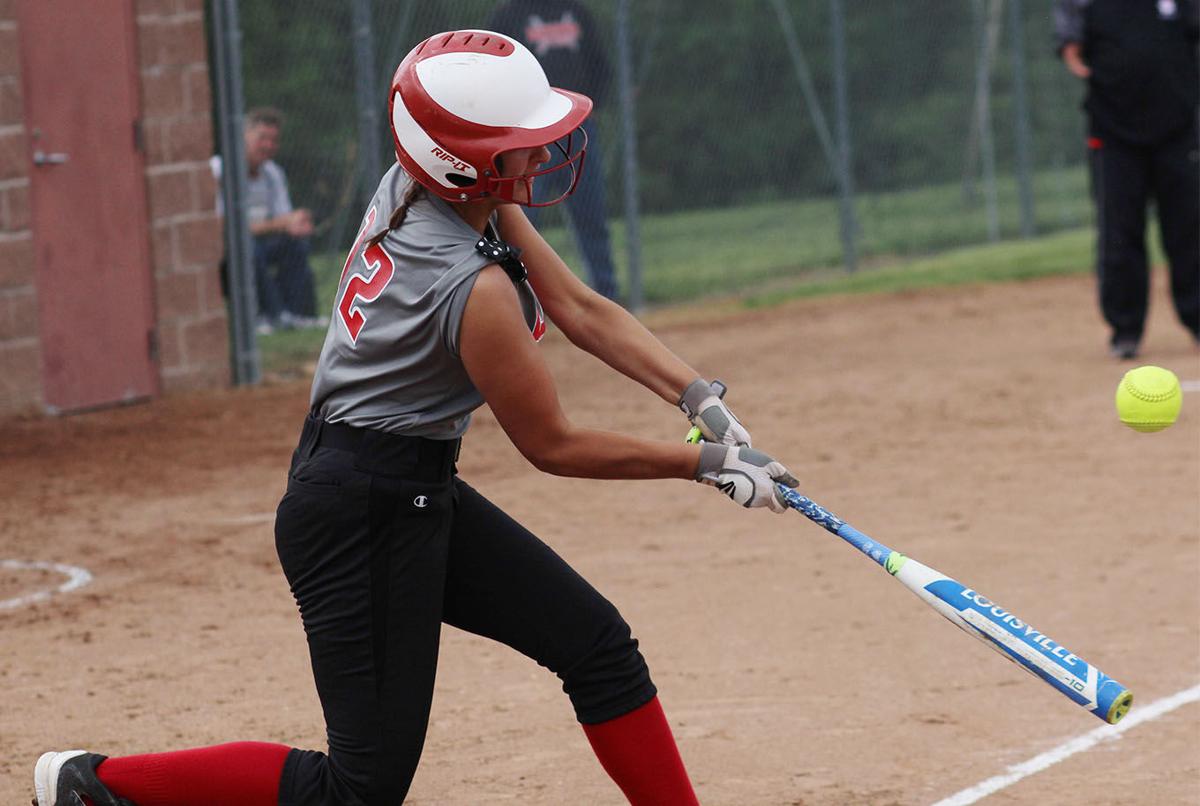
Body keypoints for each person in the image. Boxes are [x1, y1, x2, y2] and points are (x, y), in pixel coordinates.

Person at [33, 30, 799, 806]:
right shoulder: (472, 290)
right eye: (518, 145)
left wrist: (697, 397)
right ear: (462, 163)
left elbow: (579, 307)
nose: (538, 156)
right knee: (356, 792)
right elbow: (552, 443)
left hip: (404, 486)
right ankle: (92, 785)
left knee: (598, 648)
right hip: (359, 509)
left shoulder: (434, 189)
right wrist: (704, 465)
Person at [1053, 0, 1200, 360]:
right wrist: (1073, 52)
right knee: (1119, 233)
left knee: (1190, 228)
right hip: (1113, 128)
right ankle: (1126, 329)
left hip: (1179, 125)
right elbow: (1069, 36)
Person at [488, 0, 621, 302]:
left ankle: (606, 295)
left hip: (577, 130)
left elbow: (601, 65)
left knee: (591, 215)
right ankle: (517, 298)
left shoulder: (576, 10)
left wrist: (592, 105)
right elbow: (493, 73)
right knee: (518, 219)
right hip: (528, 132)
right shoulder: (508, 15)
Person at [211, 107, 323, 334]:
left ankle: (298, 314)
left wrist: (296, 224)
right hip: (228, 249)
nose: (268, 146)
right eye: (262, 138)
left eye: (274, 140)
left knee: (295, 244)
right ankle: (266, 316)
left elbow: (284, 219)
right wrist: (280, 224)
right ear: (243, 137)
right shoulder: (219, 169)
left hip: (261, 241)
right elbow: (222, 226)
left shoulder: (273, 173)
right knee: (247, 248)